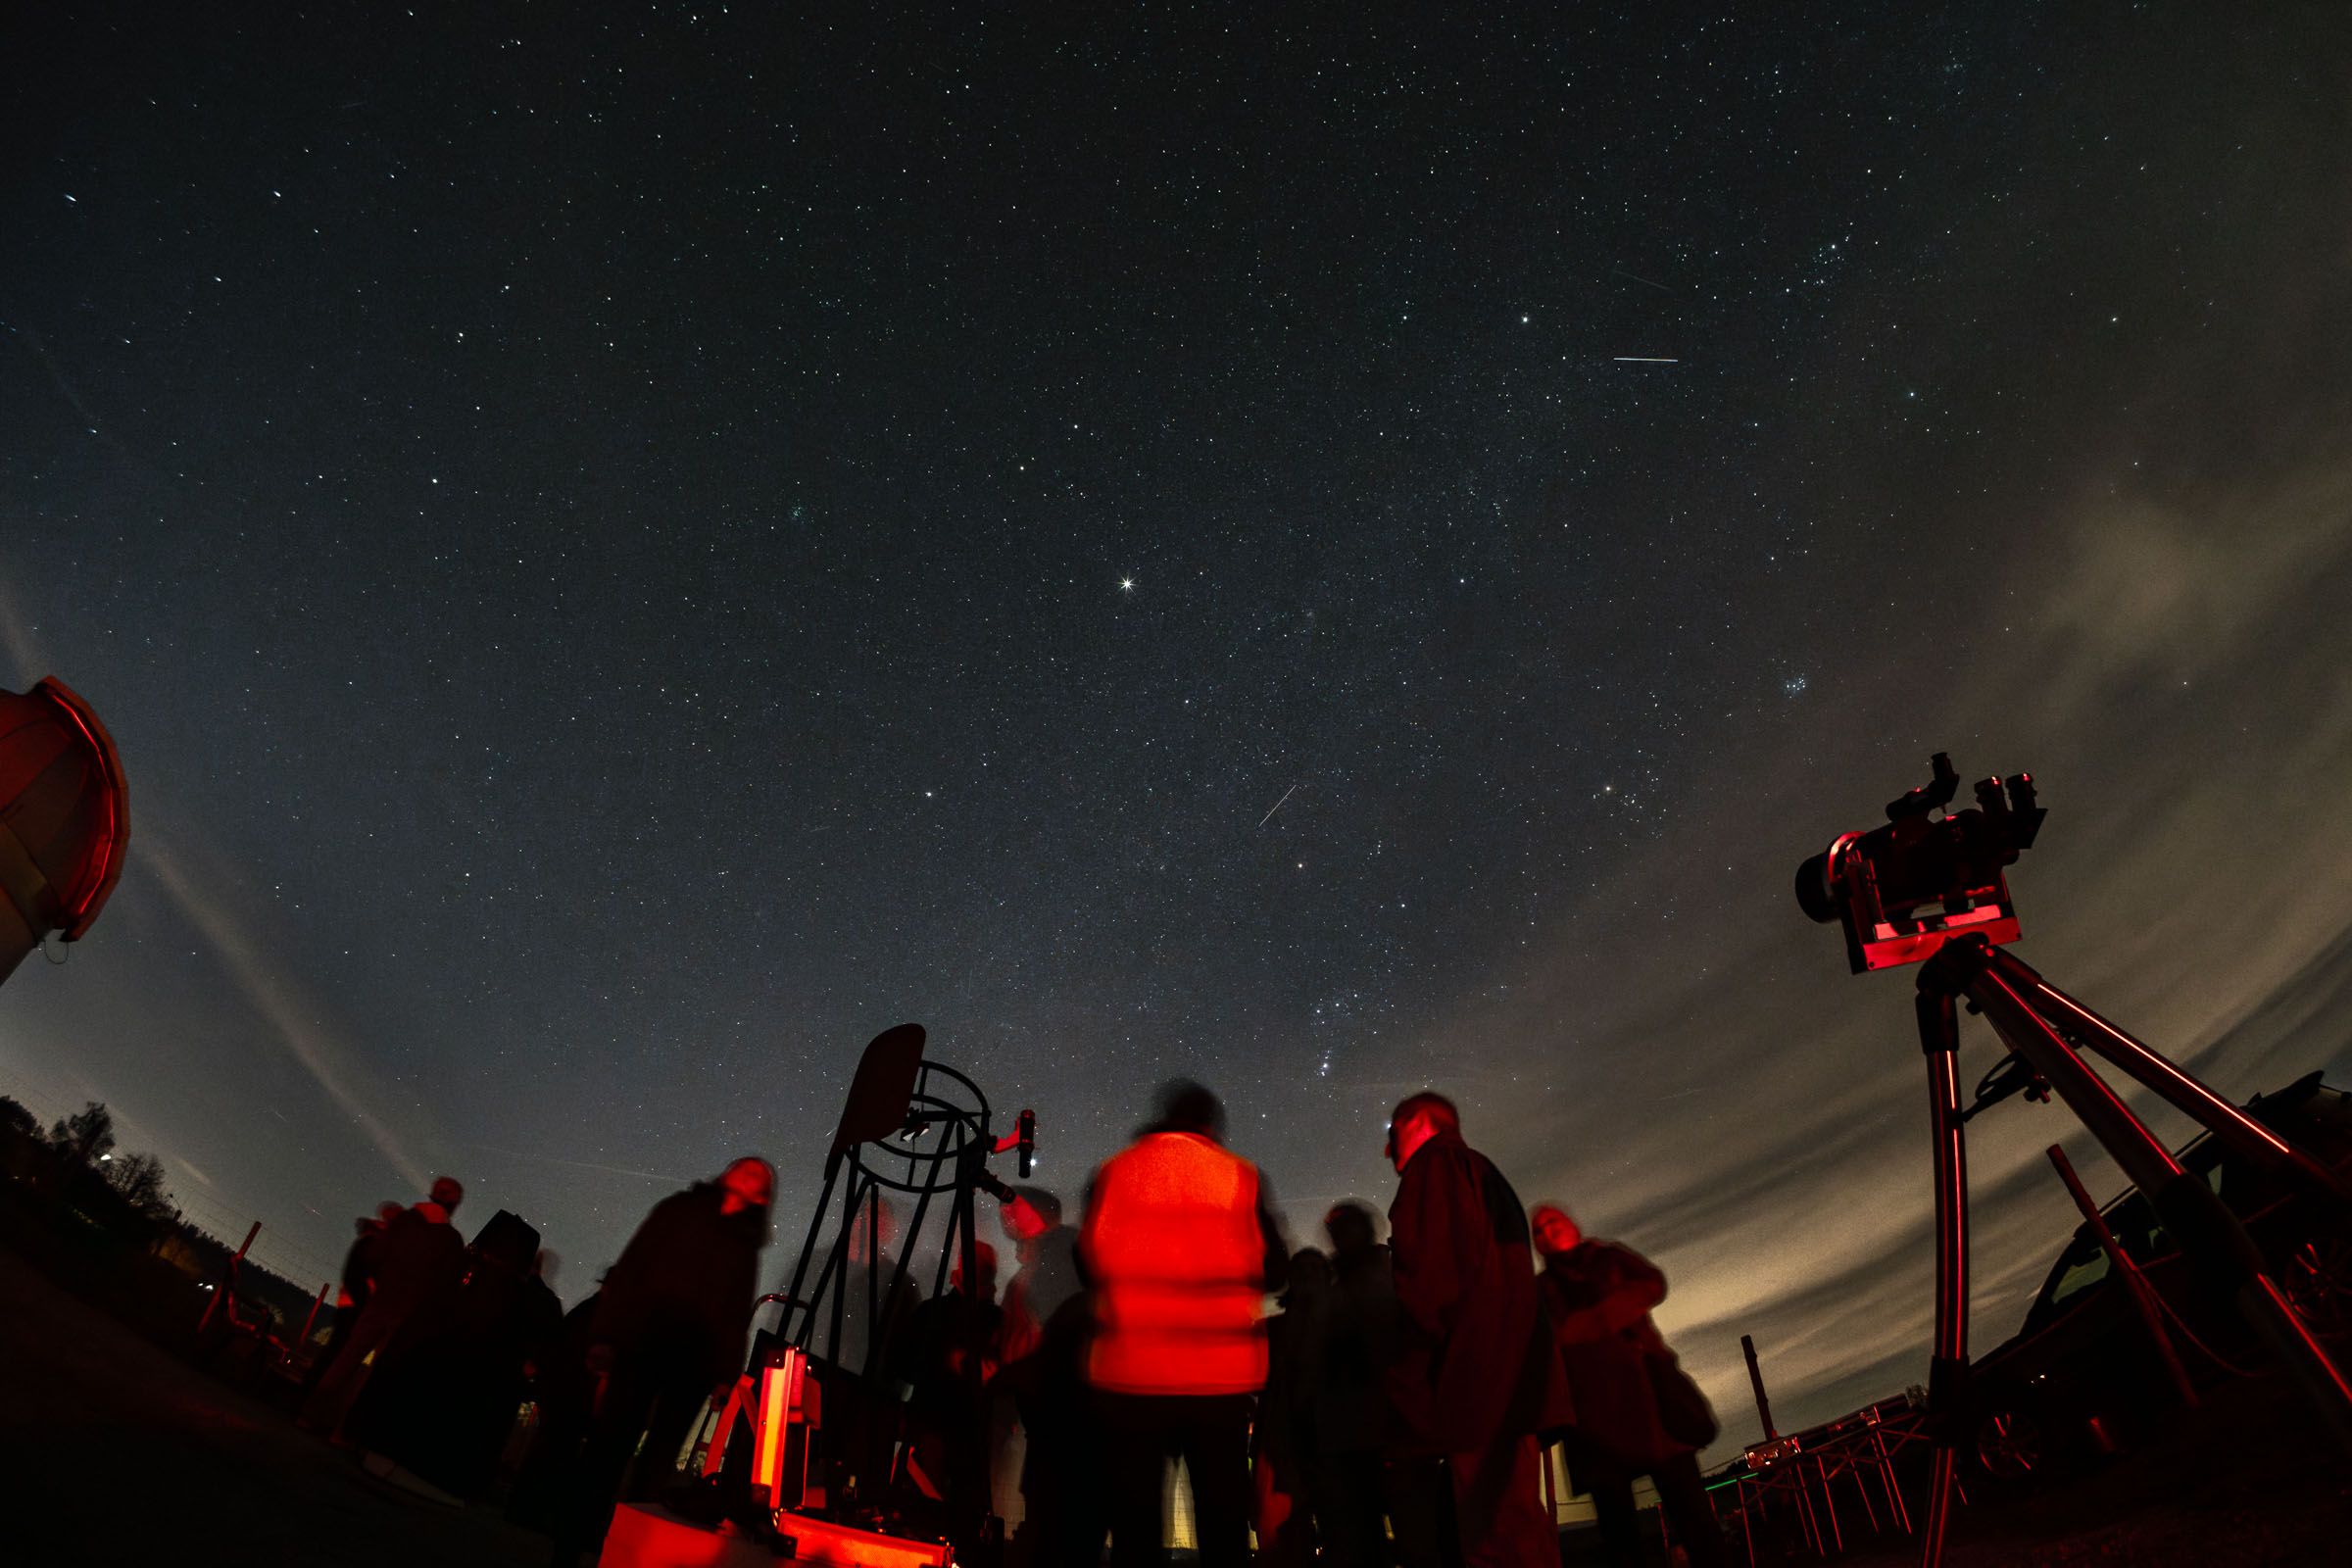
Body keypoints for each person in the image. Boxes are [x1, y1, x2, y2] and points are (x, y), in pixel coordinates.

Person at [1079, 1080, 1288, 1568]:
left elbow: (1088, 1262)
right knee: (1223, 1524)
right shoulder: (1242, 1176)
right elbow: (1277, 1268)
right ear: (1210, 1127)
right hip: (1219, 1382)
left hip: (1131, 1378)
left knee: (1135, 1527)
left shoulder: (1114, 1172)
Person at [551, 1157, 775, 1568]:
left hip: (694, 1361)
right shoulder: (678, 1209)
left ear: (761, 1195)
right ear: (726, 1173)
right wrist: (604, 1334)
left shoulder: (745, 1245)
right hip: (643, 1343)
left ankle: (621, 1551)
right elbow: (634, 1266)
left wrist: (725, 1374)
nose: (749, 1172)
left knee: (657, 1461)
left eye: (758, 1175)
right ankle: (570, 1545)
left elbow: (734, 1311)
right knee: (608, 1446)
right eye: (744, 1166)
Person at [1382, 1094, 1570, 1568]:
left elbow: (1429, 1287)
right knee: (1517, 1527)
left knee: (1496, 1539)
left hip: (1475, 1383)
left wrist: (1411, 1385)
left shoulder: (1434, 1170)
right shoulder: (1480, 1171)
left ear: (1421, 1124)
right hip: (1508, 1381)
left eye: (1393, 1132)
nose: (1387, 1150)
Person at [1533, 1206, 1724, 1568]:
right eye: (1538, 1229)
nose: (1546, 1230)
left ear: (1572, 1224)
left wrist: (1597, 1321)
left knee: (1695, 1518)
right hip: (1593, 1420)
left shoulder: (1608, 1257)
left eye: (1552, 1221)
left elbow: (1653, 1282)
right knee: (1619, 1535)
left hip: (1652, 1403)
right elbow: (1547, 1340)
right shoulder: (1542, 1290)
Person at [300, 1176, 466, 1438]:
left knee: (345, 1361)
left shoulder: (404, 1221)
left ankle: (309, 1416)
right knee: (372, 1377)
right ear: (455, 1204)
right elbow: (446, 1287)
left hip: (380, 1302)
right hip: (408, 1317)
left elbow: (373, 1256)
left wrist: (381, 1285)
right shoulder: (451, 1241)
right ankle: (344, 1432)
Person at [1314, 1201, 1402, 1568]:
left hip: (1389, 1424)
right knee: (1357, 1538)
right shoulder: (1334, 1285)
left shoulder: (1388, 1277)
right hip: (1347, 1429)